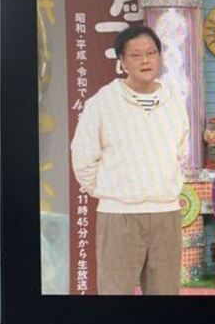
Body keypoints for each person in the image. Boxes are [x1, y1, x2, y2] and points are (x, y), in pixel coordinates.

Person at [71, 25, 188, 295]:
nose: (145, 60)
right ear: (122, 61)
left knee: (166, 298)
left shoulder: (174, 101)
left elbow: (179, 151)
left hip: (166, 214)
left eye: (151, 53)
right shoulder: (102, 103)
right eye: (136, 55)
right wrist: (112, 192)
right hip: (118, 217)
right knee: (115, 296)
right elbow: (83, 158)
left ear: (160, 56)